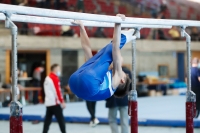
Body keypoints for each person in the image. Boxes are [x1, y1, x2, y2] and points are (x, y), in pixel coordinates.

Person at [69, 14, 133, 101]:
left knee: (112, 54)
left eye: (123, 72)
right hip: (73, 84)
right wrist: (81, 27)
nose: (121, 70)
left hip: (89, 84)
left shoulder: (116, 79)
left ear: (122, 80)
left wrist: (118, 23)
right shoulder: (103, 80)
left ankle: (126, 36)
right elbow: (87, 50)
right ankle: (126, 35)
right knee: (95, 59)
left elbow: (115, 47)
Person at [106, 66, 131, 133]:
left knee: (112, 120)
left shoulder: (110, 72)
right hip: (122, 99)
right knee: (124, 121)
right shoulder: (126, 72)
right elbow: (129, 87)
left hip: (113, 100)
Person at [43, 64, 66, 133]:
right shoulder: (54, 78)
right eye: (59, 69)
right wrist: (62, 101)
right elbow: (57, 91)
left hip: (48, 102)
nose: (59, 70)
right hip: (55, 103)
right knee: (61, 120)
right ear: (55, 69)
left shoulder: (47, 78)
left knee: (47, 121)